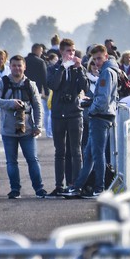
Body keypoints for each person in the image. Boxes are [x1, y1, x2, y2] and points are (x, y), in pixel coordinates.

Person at [65, 44, 118, 199]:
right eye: (94, 59)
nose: (96, 62)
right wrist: (91, 101)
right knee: (89, 154)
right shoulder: (109, 70)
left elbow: (103, 100)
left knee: (97, 154)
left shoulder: (107, 72)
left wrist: (92, 108)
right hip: (103, 115)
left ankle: (99, 188)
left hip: (100, 116)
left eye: (99, 58)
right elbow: (102, 97)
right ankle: (78, 186)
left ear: (106, 57)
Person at [0, 55, 46, 199]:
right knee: (11, 162)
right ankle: (15, 189)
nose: (17, 68)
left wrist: (38, 125)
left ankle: (39, 189)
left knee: (33, 160)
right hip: (8, 130)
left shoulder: (30, 84)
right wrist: (11, 103)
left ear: (24, 67)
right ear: (10, 66)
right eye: (14, 65)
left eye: (19, 65)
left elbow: (38, 106)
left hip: (27, 129)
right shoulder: (2, 83)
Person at [46, 38, 88, 197]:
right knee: (60, 152)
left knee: (76, 151)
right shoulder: (53, 68)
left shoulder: (78, 68)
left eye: (73, 51)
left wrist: (78, 69)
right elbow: (53, 85)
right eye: (68, 51)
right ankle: (59, 185)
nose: (72, 54)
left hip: (75, 113)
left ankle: (76, 185)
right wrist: (62, 68)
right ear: (61, 52)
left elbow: (85, 87)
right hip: (58, 114)